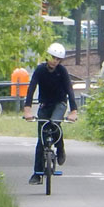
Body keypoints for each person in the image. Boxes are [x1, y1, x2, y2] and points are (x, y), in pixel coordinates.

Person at [23, 42, 79, 184]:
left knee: (54, 123)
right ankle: (37, 174)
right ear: (48, 57)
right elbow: (31, 88)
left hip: (59, 103)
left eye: (58, 59)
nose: (55, 61)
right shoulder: (40, 70)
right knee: (41, 139)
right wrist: (27, 109)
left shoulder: (62, 71)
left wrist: (73, 111)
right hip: (45, 104)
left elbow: (69, 91)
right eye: (53, 58)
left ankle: (60, 148)